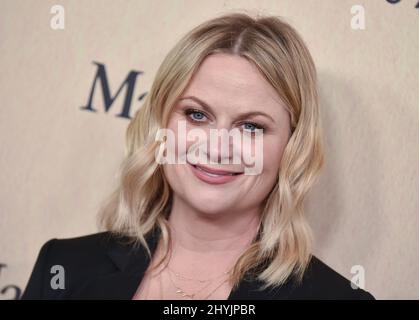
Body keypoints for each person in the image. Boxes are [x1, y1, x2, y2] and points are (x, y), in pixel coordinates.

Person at [21, 12, 375, 300]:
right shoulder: (63, 268)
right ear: (161, 123)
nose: (217, 147)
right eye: (196, 115)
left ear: (292, 146)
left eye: (251, 126)